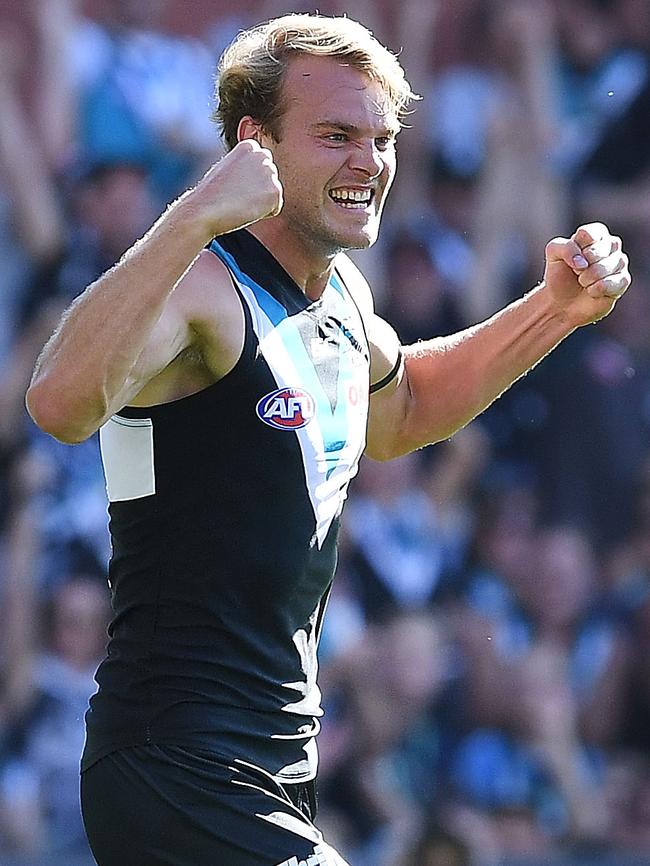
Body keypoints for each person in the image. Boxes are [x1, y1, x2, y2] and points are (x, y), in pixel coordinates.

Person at [24, 13, 631, 866]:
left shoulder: (339, 297)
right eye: (337, 135)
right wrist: (195, 211)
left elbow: (405, 407)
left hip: (270, 769)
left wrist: (553, 311)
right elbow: (57, 402)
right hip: (179, 762)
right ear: (254, 144)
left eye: (381, 138)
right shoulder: (202, 282)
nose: (370, 162)